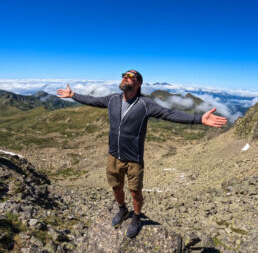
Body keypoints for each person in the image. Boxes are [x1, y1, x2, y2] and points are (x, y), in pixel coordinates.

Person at [56, 70, 227, 238]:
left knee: (135, 192)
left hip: (134, 159)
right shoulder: (112, 99)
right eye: (124, 75)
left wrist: (199, 119)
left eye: (130, 76)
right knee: (116, 186)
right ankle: (122, 209)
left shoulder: (145, 104)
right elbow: (92, 100)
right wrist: (73, 95)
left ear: (138, 83)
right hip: (113, 155)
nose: (125, 78)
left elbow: (169, 114)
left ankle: (136, 217)